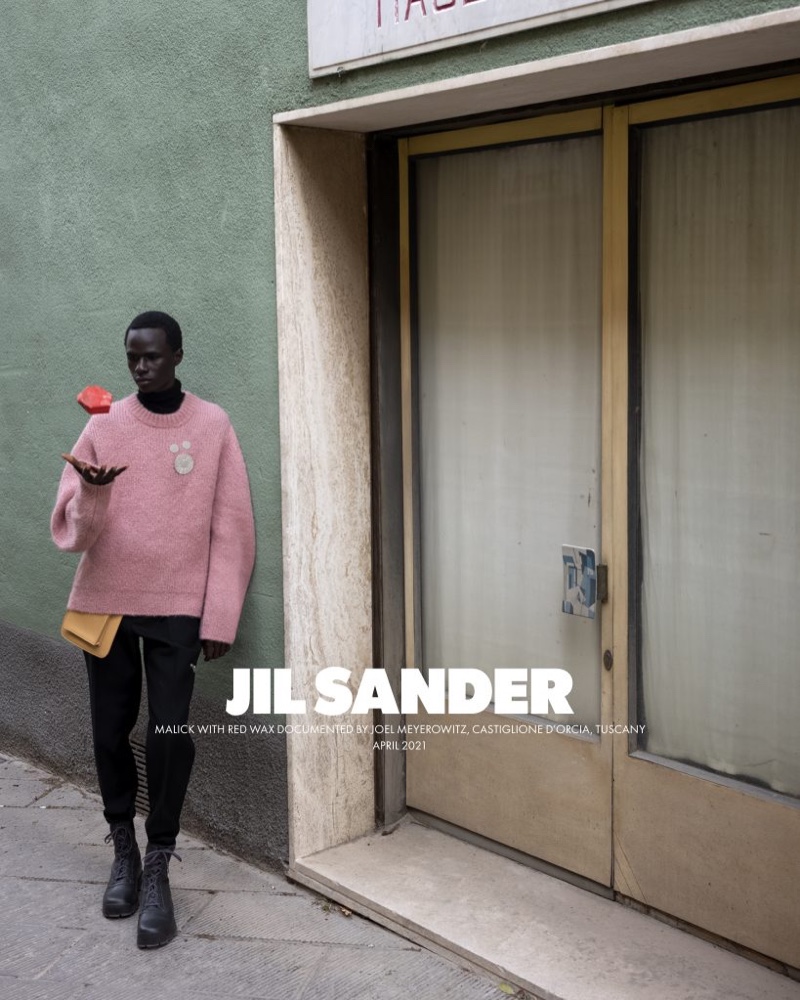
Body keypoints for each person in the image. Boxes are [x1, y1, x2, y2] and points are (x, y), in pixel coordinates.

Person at [51, 311, 256, 949]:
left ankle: (160, 858)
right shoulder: (102, 424)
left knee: (169, 735)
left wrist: (219, 614)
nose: (141, 367)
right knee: (110, 730)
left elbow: (234, 529)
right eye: (132, 356)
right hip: (104, 601)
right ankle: (123, 849)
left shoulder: (213, 424)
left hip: (176, 608)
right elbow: (68, 533)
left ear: (177, 356)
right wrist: (91, 493)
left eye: (153, 357)